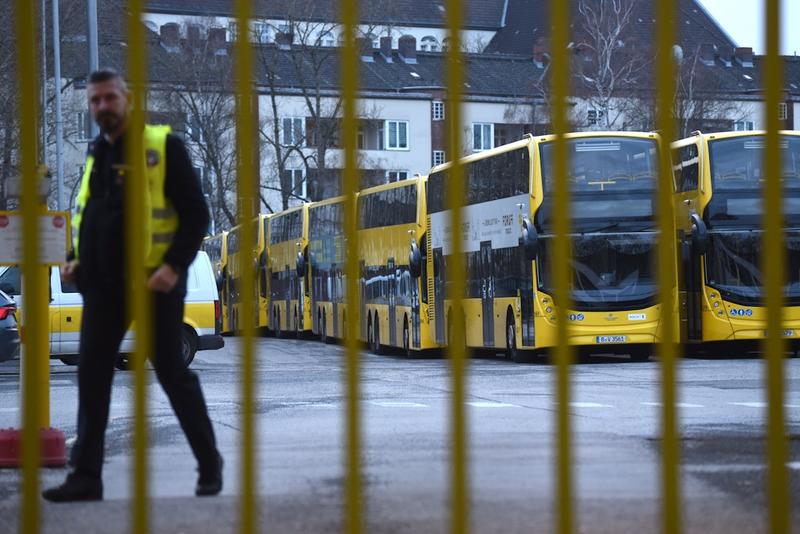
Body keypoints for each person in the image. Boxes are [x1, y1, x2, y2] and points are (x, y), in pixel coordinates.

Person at [43, 69, 222, 502]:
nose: (102, 106)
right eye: (95, 101)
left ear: (128, 98)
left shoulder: (163, 147)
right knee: (92, 374)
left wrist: (175, 267)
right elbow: (88, 217)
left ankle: (209, 463)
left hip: (155, 282)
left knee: (172, 373)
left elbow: (196, 214)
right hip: (102, 286)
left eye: (109, 98)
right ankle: (86, 477)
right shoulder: (95, 153)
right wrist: (72, 261)